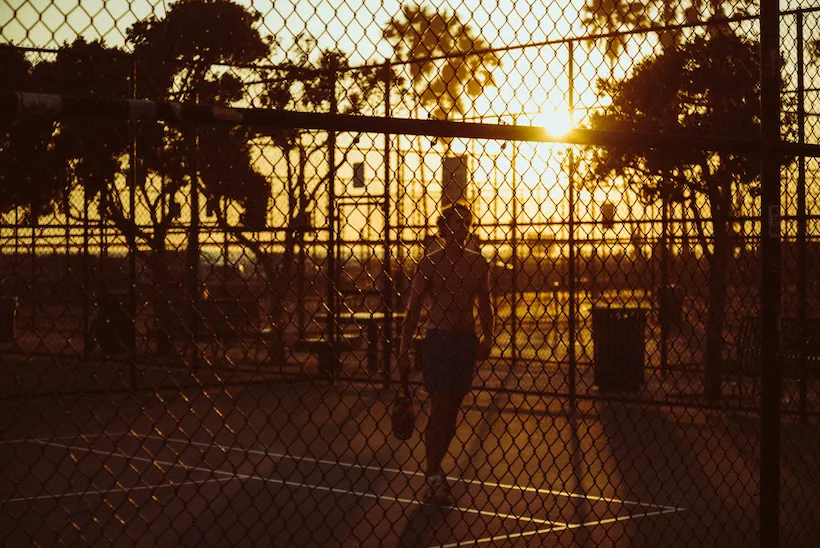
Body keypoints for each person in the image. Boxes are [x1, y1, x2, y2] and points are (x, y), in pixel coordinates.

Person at [398, 200, 495, 505]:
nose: (463, 226)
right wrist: (403, 347)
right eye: (457, 221)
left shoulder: (479, 263)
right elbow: (413, 309)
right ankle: (433, 475)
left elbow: (485, 304)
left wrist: (489, 336)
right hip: (438, 339)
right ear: (444, 227)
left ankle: (434, 471)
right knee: (439, 408)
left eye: (467, 221)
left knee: (451, 412)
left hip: (464, 341)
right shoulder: (430, 263)